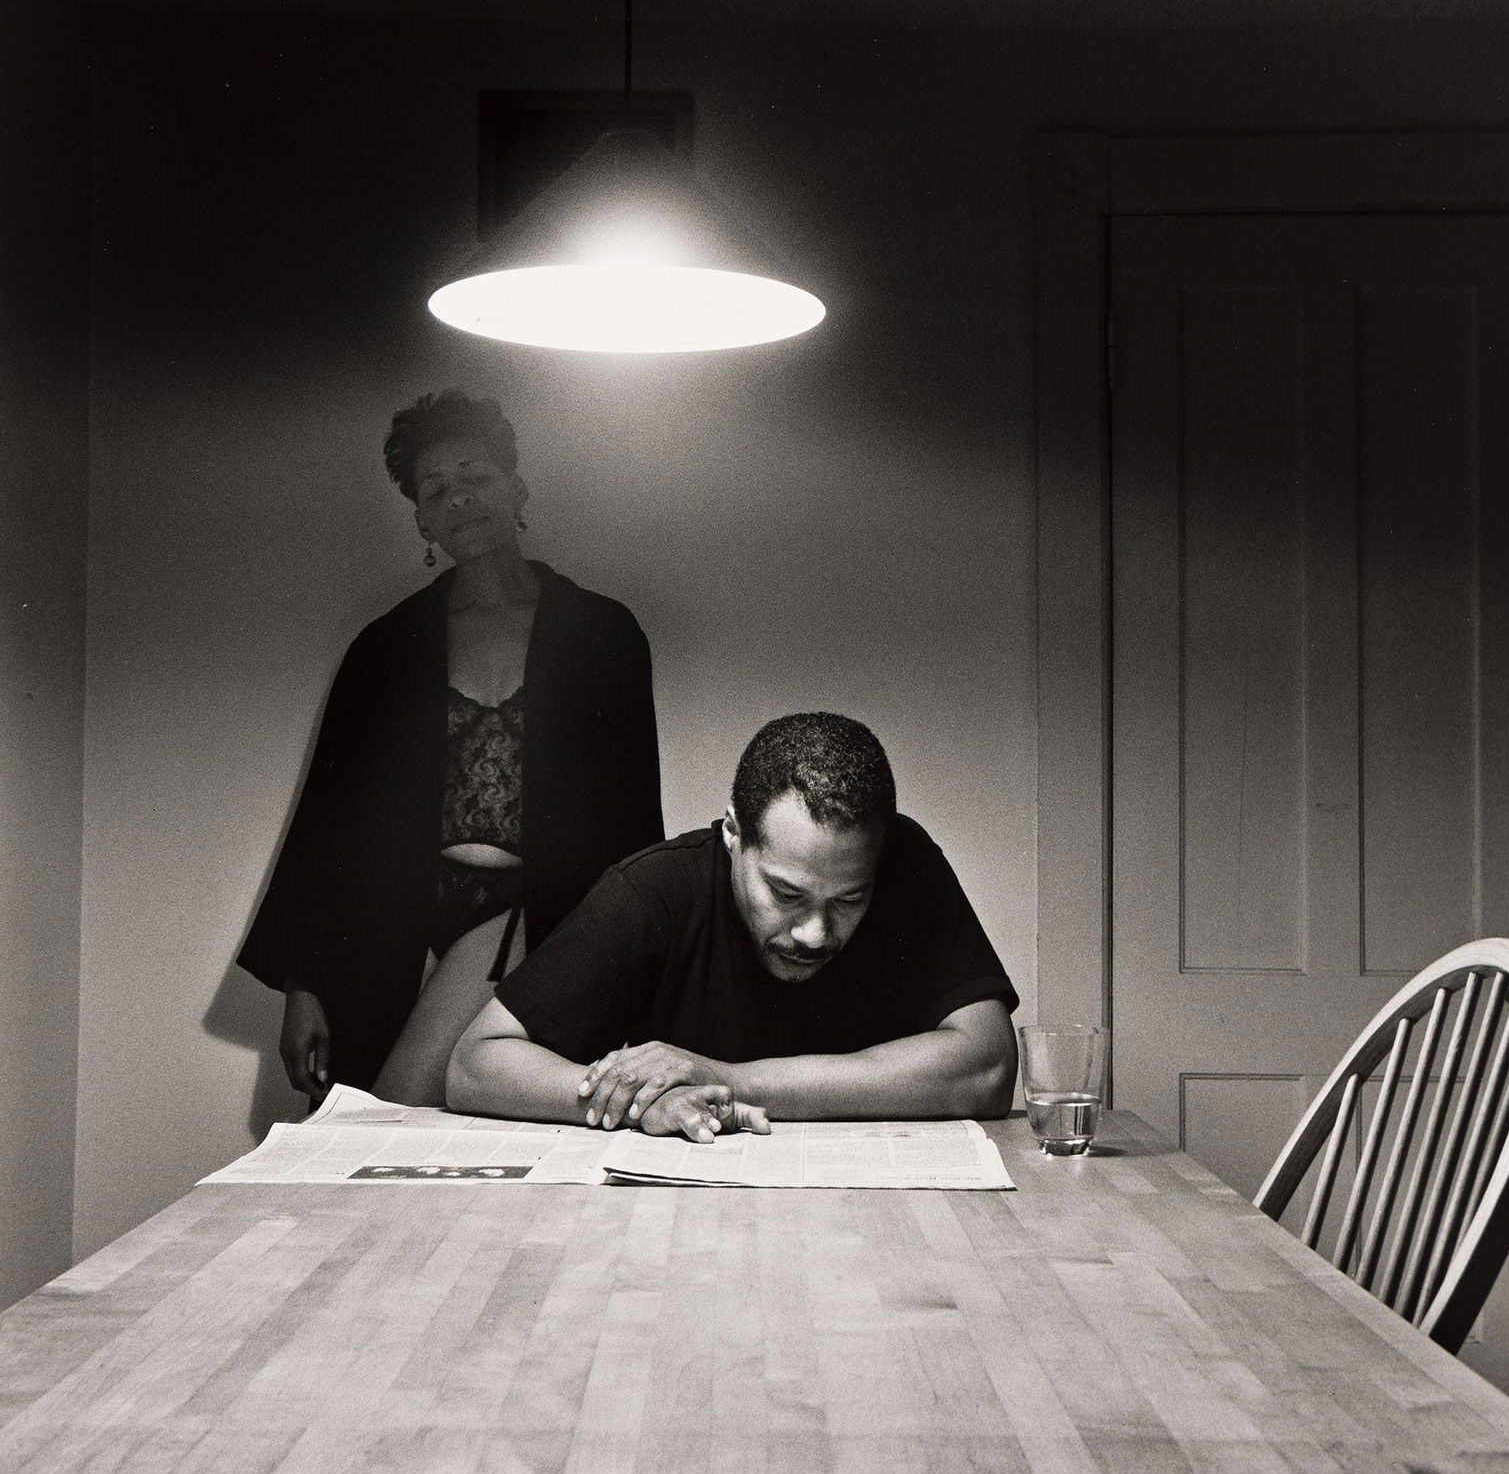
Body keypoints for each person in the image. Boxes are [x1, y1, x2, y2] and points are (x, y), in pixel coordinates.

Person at [239, 390, 663, 1101]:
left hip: (536, 911)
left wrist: (632, 975)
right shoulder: (386, 647)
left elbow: (631, 817)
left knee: (394, 1111)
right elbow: (328, 820)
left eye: (475, 476)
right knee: (410, 1130)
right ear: (423, 520)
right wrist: (301, 986)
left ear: (516, 488)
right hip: (391, 920)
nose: (459, 498)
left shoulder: (604, 635)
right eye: (437, 489)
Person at [447, 712, 1017, 1140]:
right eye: (786, 893)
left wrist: (724, 1079)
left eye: (851, 898)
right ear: (733, 834)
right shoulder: (653, 892)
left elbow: (988, 1066)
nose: (816, 932)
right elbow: (476, 1064)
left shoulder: (905, 860)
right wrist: (640, 1103)